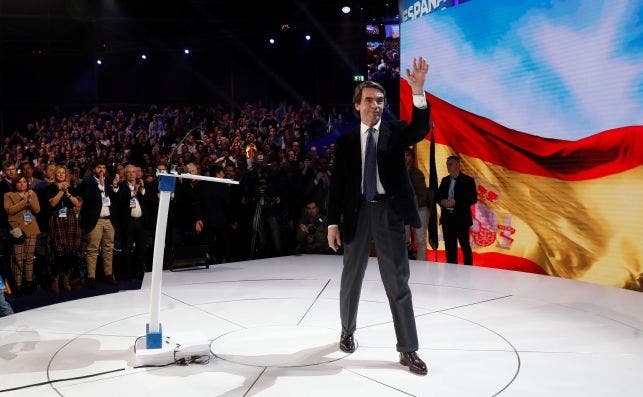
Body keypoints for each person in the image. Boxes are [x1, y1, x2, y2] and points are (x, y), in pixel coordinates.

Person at [327, 56, 430, 375]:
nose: (375, 105)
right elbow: (337, 185)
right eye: (369, 100)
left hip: (388, 212)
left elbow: (420, 128)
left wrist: (418, 93)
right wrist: (332, 222)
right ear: (357, 105)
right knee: (351, 277)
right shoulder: (345, 141)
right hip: (355, 212)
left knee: (398, 281)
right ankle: (347, 331)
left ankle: (408, 349)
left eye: (381, 100)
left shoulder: (396, 131)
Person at [45, 165, 83, 293]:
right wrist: (61, 191)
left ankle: (66, 277)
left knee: (69, 250)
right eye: (59, 173)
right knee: (58, 250)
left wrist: (67, 193)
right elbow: (53, 203)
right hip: (57, 220)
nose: (61, 175)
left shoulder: (71, 188)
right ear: (55, 175)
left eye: (63, 173)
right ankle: (55, 279)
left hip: (70, 219)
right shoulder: (50, 187)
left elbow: (77, 203)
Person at [437, 155, 477, 266]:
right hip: (447, 218)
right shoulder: (445, 180)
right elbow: (438, 196)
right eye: (447, 164)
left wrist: (456, 202)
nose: (448, 166)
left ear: (458, 165)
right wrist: (442, 201)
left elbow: (473, 198)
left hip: (461, 219)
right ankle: (451, 270)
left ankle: (468, 269)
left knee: (465, 246)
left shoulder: (468, 180)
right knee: (449, 247)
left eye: (450, 164)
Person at [4, 175, 41, 293]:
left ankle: (28, 282)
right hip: (17, 230)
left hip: (31, 228)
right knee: (17, 258)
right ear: (15, 183)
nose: (22, 184)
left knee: (29, 258)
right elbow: (9, 210)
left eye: (24, 182)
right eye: (19, 182)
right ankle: (18, 284)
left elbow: (37, 210)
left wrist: (29, 200)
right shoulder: (8, 195)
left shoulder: (32, 193)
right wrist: (24, 201)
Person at [404, 148, 430, 260]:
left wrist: (409, 207)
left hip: (420, 208)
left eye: (407, 155)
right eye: (403, 155)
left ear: (412, 158)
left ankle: (422, 265)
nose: (405, 158)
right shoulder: (398, 173)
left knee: (420, 239)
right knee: (402, 238)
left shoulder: (416, 173)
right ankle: (404, 263)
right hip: (405, 210)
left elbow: (422, 196)